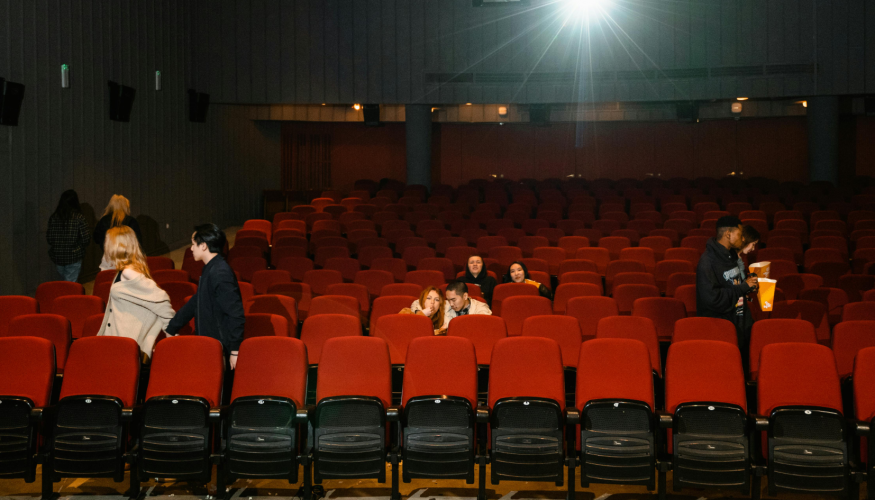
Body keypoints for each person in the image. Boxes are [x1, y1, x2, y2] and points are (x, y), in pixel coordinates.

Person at [165, 224, 245, 371]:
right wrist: (172, 327)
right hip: (210, 344)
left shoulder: (220, 272)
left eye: (193, 244)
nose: (191, 248)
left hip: (220, 347)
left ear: (203, 246)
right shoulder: (211, 268)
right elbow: (196, 301)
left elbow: (235, 313)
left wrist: (235, 350)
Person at [97, 226, 175, 362]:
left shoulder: (129, 272)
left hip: (126, 347)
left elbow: (161, 301)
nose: (105, 246)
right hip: (118, 342)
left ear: (117, 246)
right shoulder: (123, 270)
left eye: (107, 242)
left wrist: (173, 340)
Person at [696, 216, 757, 364]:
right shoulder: (707, 262)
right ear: (728, 234)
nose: (743, 239)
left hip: (740, 324)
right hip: (720, 330)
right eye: (740, 234)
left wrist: (748, 286)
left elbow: (733, 285)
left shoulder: (732, 256)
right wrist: (743, 287)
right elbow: (713, 299)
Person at [46, 189, 91, 282]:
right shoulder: (79, 218)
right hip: (74, 256)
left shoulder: (54, 217)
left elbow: (49, 239)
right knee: (70, 283)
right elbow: (85, 239)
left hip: (58, 256)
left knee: (64, 281)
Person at [94, 194, 143, 271]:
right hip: (128, 258)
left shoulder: (103, 220)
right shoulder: (131, 221)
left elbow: (96, 239)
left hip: (108, 257)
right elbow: (138, 241)